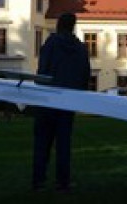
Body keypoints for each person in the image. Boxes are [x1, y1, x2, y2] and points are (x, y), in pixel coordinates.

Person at [32, 12, 91, 191]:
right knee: (64, 143)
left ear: (59, 25)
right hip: (68, 100)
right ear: (73, 26)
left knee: (42, 142)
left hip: (48, 98)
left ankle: (38, 180)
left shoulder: (50, 45)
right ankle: (63, 181)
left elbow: (42, 72)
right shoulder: (81, 48)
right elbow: (85, 75)